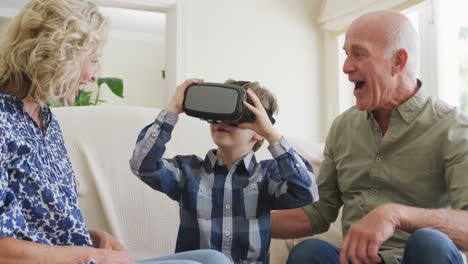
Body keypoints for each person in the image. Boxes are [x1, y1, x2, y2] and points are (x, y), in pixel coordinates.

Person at [0, 0, 230, 263]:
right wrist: (94, 257)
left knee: (213, 259)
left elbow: (41, 230)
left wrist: (95, 238)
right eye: (93, 60)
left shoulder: (46, 121)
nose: (94, 76)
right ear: (58, 55)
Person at [271, 10, 468, 264]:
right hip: (355, 260)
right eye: (345, 54)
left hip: (420, 257)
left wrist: (394, 215)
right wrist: (238, 222)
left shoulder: (452, 127)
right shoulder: (343, 127)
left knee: (430, 242)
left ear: (398, 61)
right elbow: (319, 211)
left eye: (359, 54)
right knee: (308, 253)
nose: (346, 67)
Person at [129, 79, 319, 263]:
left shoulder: (267, 177)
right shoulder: (188, 172)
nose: (222, 121)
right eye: (218, 113)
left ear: (258, 129)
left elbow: (307, 191)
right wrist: (172, 110)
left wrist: (272, 134)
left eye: (235, 117)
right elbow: (142, 165)